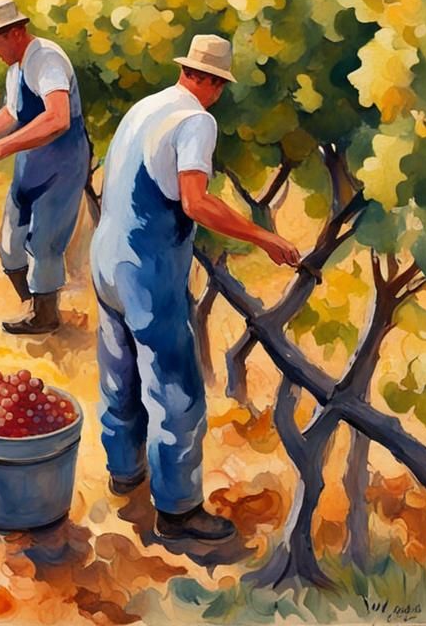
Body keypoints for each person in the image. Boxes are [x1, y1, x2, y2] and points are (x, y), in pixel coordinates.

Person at [91, 35, 301, 542]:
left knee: (119, 373)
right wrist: (263, 237)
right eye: (220, 85)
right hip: (147, 269)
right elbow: (195, 202)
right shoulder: (195, 121)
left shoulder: (146, 107)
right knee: (175, 389)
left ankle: (124, 473)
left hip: (105, 258)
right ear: (210, 81)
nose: (218, 95)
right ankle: (179, 510)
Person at [0, 0, 90, 334]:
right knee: (10, 245)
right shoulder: (17, 68)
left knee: (43, 243)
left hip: (62, 163)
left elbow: (57, 118)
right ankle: (32, 303)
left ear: (15, 32)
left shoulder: (47, 59)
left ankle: (45, 315)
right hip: (32, 160)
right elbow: (13, 113)